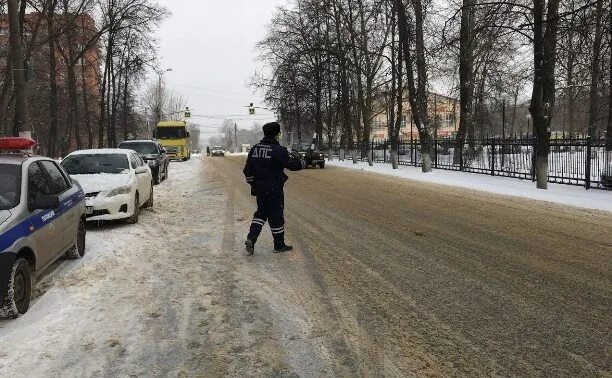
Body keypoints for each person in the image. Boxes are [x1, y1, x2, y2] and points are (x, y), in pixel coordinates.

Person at [243, 122, 305, 254]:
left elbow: (247, 170)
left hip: (260, 188)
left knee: (261, 213)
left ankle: (251, 239)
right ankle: (279, 245)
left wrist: (254, 185)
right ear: (277, 134)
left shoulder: (255, 149)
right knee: (276, 214)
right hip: (274, 188)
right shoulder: (279, 150)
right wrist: (303, 162)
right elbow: (292, 165)